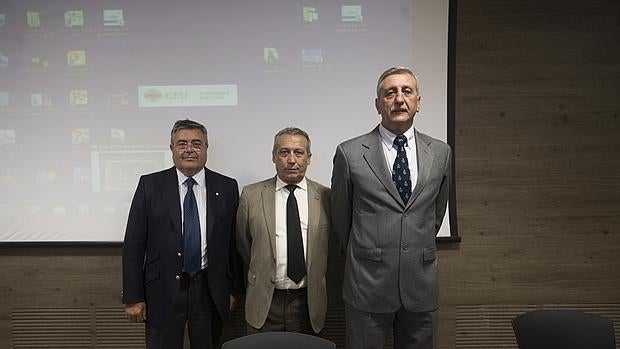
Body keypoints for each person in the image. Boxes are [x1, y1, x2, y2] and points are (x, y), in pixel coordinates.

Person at [331, 67, 451, 349]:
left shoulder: (441, 152)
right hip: (367, 286)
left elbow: (435, 215)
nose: (399, 99)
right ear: (378, 104)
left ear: (418, 102)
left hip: (421, 286)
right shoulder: (349, 153)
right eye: (390, 93)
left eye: (407, 91)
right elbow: (341, 219)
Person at [122, 119, 242, 349]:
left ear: (206, 148)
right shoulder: (150, 185)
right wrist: (133, 297)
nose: (189, 149)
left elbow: (233, 244)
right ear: (172, 148)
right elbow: (134, 246)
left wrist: (233, 290)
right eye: (182, 143)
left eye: (196, 143)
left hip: (210, 289)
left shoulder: (227, 187)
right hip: (162, 289)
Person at [236, 127, 331, 335]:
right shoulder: (251, 196)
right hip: (265, 302)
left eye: (298, 153)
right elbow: (244, 245)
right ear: (273, 156)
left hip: (308, 303)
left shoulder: (326, 197)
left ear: (309, 158)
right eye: (284, 152)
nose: (291, 159)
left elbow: (331, 249)